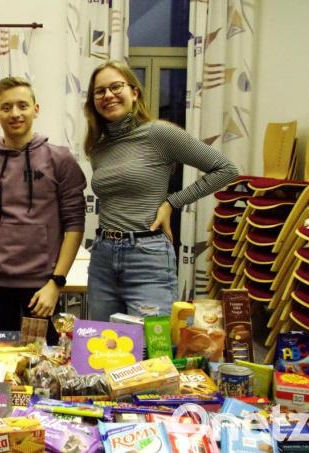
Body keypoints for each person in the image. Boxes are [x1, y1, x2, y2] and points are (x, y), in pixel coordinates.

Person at [83, 61, 239, 320]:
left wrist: (172, 202)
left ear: (134, 93)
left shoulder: (160, 134)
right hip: (103, 257)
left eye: (116, 86)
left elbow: (225, 169)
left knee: (150, 351)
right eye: (100, 91)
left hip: (147, 256)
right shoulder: (98, 147)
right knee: (103, 346)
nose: (108, 95)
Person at [0, 77, 86, 344]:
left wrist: (57, 282)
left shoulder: (60, 160)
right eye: (7, 107)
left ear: (36, 109)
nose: (15, 113)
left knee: (47, 362)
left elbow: (75, 225)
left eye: (23, 105)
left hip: (42, 284)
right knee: (1, 359)